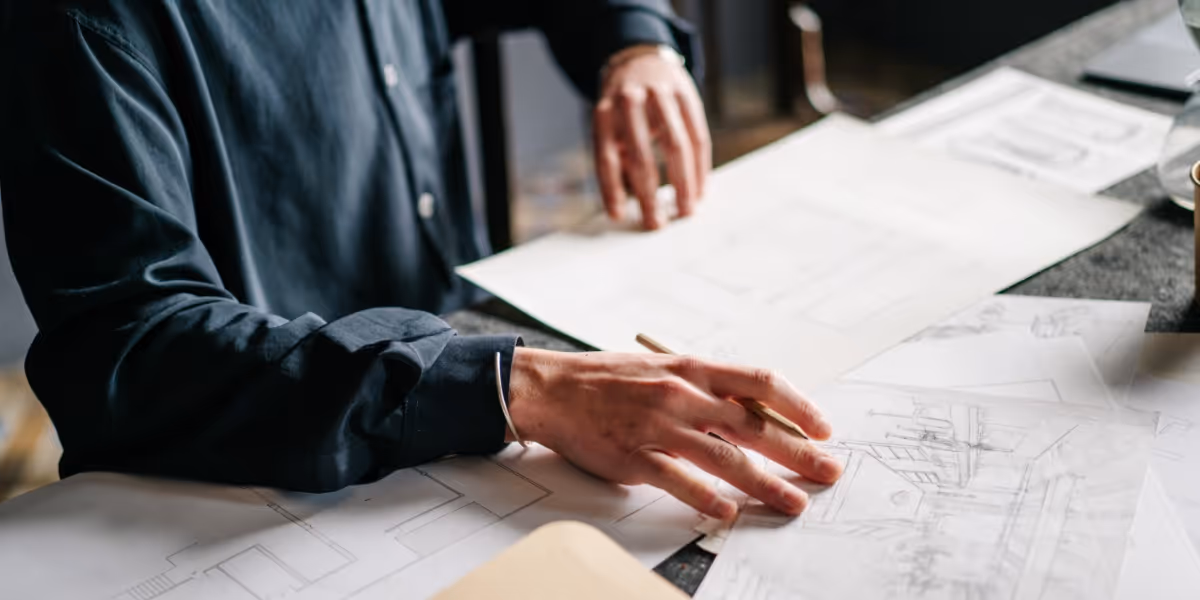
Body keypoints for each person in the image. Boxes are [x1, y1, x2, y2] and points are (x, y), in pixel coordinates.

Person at [0, 0, 843, 521]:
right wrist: (509, 387)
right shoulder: (72, 20)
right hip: (268, 472)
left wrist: (635, 43)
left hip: (469, 358)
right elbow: (133, 355)